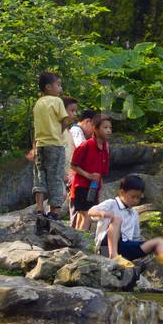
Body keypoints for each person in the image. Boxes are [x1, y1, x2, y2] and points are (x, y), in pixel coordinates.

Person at [88, 174, 163, 268]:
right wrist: (103, 214)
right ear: (122, 192)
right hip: (105, 247)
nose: (136, 200)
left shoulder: (134, 214)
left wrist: (142, 247)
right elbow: (91, 211)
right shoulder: (111, 204)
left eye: (138, 197)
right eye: (133, 197)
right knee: (117, 219)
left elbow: (135, 238)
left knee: (158, 241)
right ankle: (113, 255)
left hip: (125, 249)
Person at [32, 71, 70, 221]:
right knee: (55, 177)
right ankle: (54, 210)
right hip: (55, 144)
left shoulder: (38, 103)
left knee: (40, 176)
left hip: (40, 145)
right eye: (58, 85)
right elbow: (65, 120)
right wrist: (59, 132)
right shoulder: (57, 101)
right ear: (48, 87)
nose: (60, 89)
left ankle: (39, 208)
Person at [70, 113, 112, 230]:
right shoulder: (86, 145)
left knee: (82, 215)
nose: (109, 131)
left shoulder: (105, 148)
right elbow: (73, 165)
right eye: (105, 127)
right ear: (95, 128)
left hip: (94, 188)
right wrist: (88, 175)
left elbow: (101, 173)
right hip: (82, 186)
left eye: (110, 128)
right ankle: (84, 242)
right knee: (87, 214)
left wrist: (100, 188)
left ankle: (77, 238)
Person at [64, 107, 97, 225]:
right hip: (75, 177)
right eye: (94, 127)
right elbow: (83, 150)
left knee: (79, 209)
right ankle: (74, 233)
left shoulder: (74, 131)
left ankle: (76, 232)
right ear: (88, 122)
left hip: (76, 176)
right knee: (78, 208)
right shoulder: (77, 131)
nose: (94, 132)